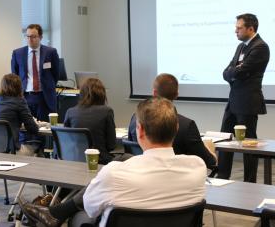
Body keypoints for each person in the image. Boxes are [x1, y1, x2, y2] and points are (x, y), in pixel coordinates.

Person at [19, 97, 206, 227]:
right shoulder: (197, 167)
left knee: (79, 216)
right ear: (176, 128)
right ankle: (55, 213)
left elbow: (91, 207)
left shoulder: (114, 173)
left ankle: (55, 214)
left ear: (139, 131)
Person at [217, 13, 270, 183]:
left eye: (239, 28)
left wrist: (235, 70)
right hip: (233, 102)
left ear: (250, 29)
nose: (236, 31)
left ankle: (249, 181)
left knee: (248, 144)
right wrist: (235, 70)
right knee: (224, 139)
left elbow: (240, 71)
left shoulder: (260, 47)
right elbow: (228, 71)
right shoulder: (241, 47)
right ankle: (223, 176)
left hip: (248, 103)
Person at [128, 73, 217, 168]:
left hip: (140, 172)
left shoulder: (135, 119)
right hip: (180, 177)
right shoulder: (186, 125)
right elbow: (209, 162)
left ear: (154, 92)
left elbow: (129, 151)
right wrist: (209, 147)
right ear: (176, 95)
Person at [11, 24, 59, 123]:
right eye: (27, 36)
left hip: (45, 97)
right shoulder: (18, 53)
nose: (30, 39)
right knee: (26, 131)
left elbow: (56, 74)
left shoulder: (50, 52)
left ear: (40, 37)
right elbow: (15, 75)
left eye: (33, 36)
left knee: (44, 131)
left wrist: (49, 86)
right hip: (26, 97)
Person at [64, 78, 116, 164]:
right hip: (98, 161)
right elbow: (111, 145)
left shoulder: (70, 112)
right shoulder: (107, 111)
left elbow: (67, 141)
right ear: (102, 94)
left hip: (74, 159)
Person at [0, 74, 39, 154]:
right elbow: (33, 128)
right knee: (36, 145)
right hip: (11, 150)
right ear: (19, 87)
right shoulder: (19, 101)